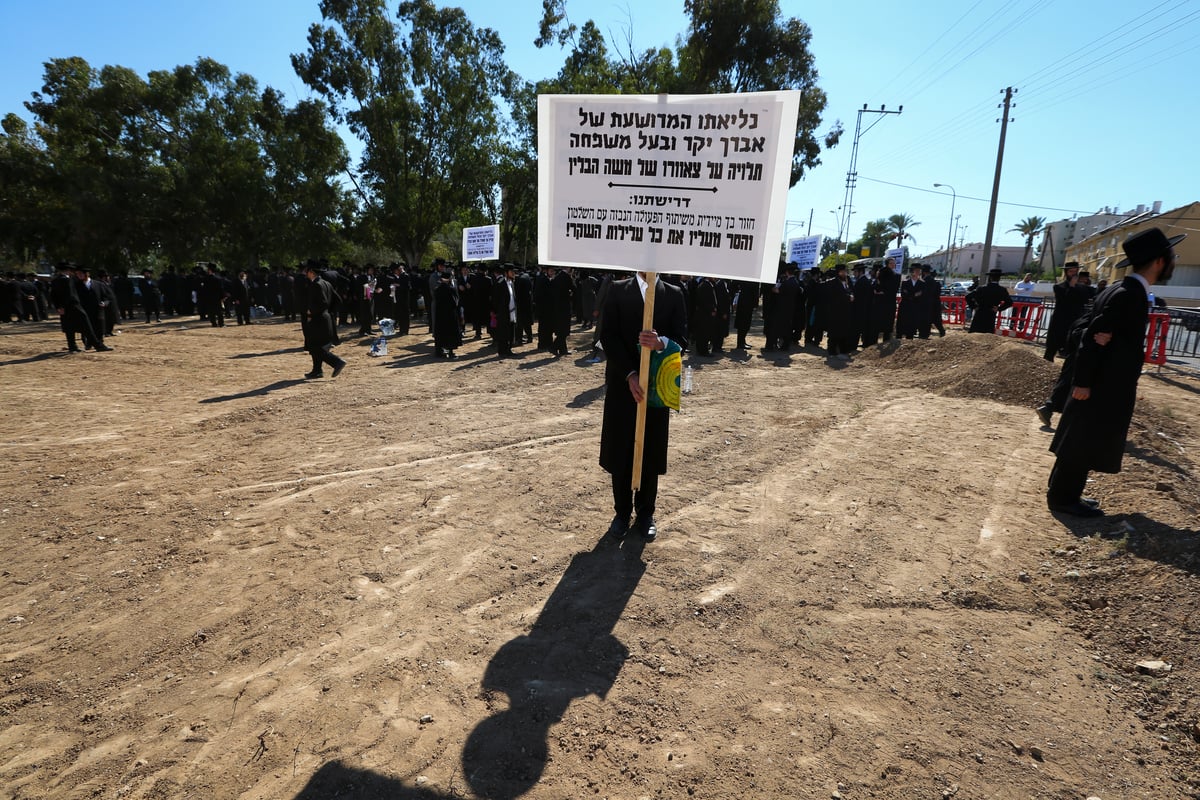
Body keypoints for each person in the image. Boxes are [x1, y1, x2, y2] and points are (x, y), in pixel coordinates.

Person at [1046, 227, 1185, 516]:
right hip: (1100, 383)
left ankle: (1066, 493)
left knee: (1082, 436)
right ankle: (1063, 498)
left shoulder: (1118, 289)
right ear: (1160, 261)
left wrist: (1100, 338)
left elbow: (1083, 329)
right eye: (1172, 256)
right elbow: (1087, 333)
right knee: (1082, 438)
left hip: (1103, 380)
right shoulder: (1129, 294)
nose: (1174, 260)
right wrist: (1084, 380)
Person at [599, 271, 688, 542]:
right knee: (621, 447)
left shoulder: (673, 293)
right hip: (622, 384)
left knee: (650, 448)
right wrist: (630, 373)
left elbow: (682, 341)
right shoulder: (617, 290)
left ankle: (646, 513)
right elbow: (607, 336)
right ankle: (622, 513)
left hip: (656, 388)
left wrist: (661, 343)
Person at [300, 262, 347, 379]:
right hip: (325, 318)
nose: (306, 274)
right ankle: (317, 370)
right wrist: (329, 312)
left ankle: (336, 362)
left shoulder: (316, 285)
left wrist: (311, 312)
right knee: (318, 345)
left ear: (311, 272)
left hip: (318, 319)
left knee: (314, 346)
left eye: (307, 271)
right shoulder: (326, 283)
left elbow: (322, 303)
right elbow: (338, 300)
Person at [1042, 262, 1090, 361]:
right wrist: (1071, 287)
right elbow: (1064, 301)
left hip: (1074, 321)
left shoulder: (1081, 288)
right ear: (1066, 272)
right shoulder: (1059, 287)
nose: (1073, 274)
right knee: (1051, 348)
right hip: (1059, 321)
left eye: (1075, 271)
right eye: (1071, 271)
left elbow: (1085, 301)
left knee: (1071, 349)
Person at [966, 269, 1012, 333]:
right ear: (999, 279)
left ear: (990, 277)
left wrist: (974, 306)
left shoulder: (981, 288)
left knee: (975, 332)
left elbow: (968, 297)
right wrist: (999, 308)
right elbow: (1009, 302)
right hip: (991, 313)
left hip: (980, 312)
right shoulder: (1002, 290)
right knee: (988, 334)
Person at [896, 263, 929, 339]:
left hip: (915, 307)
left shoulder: (922, 283)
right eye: (916, 270)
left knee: (912, 324)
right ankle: (899, 337)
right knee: (902, 323)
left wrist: (911, 295)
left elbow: (922, 295)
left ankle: (910, 337)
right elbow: (903, 294)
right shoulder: (905, 282)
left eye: (919, 271)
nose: (917, 272)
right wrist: (914, 295)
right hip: (905, 305)